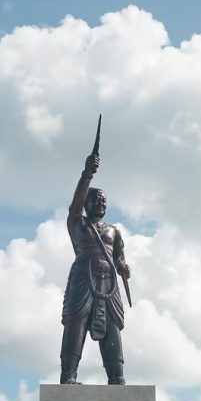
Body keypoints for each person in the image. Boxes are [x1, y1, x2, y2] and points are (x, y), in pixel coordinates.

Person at [60, 144, 130, 384]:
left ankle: (117, 377)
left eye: (104, 200)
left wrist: (123, 267)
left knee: (112, 328)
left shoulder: (114, 231)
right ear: (87, 202)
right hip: (84, 276)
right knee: (75, 323)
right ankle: (68, 375)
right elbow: (74, 206)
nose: (101, 203)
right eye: (96, 199)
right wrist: (87, 174)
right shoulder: (78, 225)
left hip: (109, 282)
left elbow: (119, 257)